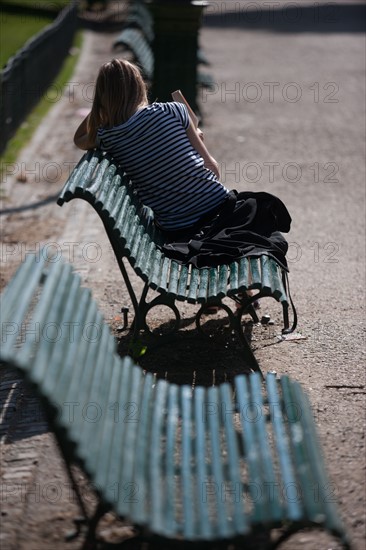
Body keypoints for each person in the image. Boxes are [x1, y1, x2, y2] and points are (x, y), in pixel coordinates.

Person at [74, 58, 292, 278]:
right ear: (140, 86)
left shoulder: (108, 137)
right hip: (216, 210)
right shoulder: (173, 111)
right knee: (260, 212)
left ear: (103, 97)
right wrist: (194, 138)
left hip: (177, 231)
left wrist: (100, 107)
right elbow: (212, 167)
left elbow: (79, 139)